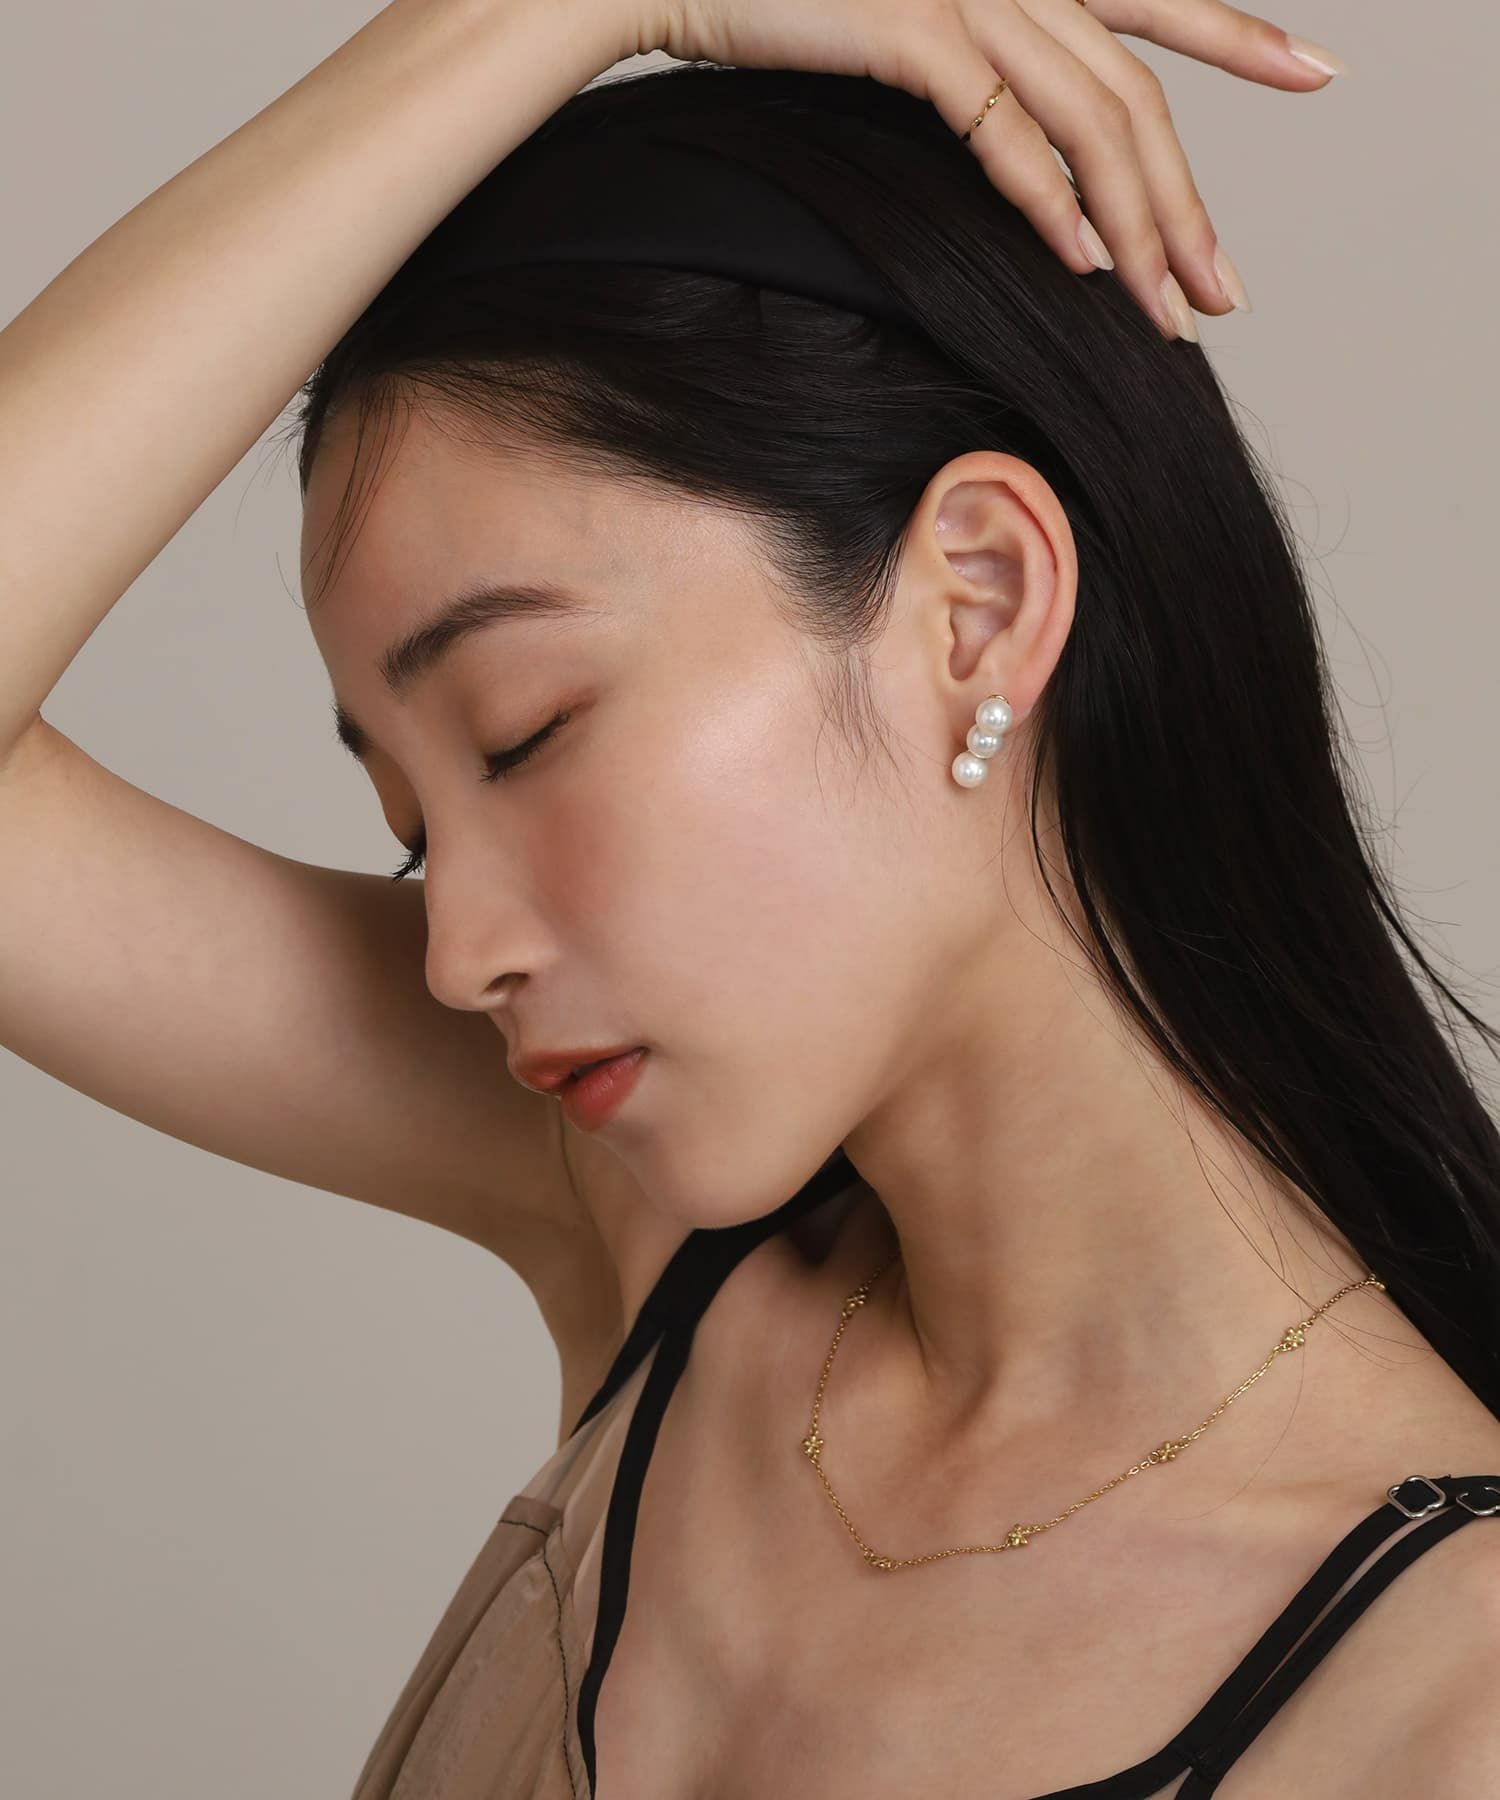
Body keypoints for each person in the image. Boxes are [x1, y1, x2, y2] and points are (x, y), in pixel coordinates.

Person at [2, 0, 1498, 1796]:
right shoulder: (655, 1242)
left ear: (975, 602)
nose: (459, 950)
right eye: (411, 829)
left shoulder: (1449, 1696)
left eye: (525, 733)